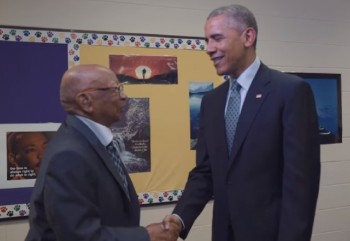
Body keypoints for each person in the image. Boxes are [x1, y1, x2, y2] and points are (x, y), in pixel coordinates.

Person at [164, 4, 321, 241]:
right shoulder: (212, 102)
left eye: (217, 38)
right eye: (207, 40)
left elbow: (301, 186)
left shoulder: (289, 92)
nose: (209, 49)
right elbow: (205, 172)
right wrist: (179, 219)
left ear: (248, 36)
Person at [25, 64, 180, 241]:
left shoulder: (90, 141)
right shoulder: (69, 155)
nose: (124, 97)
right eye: (115, 90)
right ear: (85, 101)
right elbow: (77, 235)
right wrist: (146, 236)